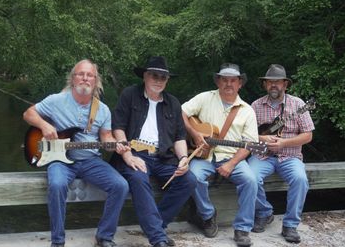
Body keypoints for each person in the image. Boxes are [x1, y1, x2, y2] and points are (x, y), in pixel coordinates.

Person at [23, 59, 130, 247]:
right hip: (60, 161)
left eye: (90, 75)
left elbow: (106, 138)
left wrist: (117, 146)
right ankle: (58, 241)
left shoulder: (103, 110)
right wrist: (44, 125)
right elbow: (28, 113)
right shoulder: (56, 100)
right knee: (56, 184)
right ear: (73, 79)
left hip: (91, 161)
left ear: (95, 81)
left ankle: (104, 236)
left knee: (120, 185)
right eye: (81, 74)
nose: (85, 78)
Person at [111, 56, 197, 247]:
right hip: (135, 153)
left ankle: (156, 224)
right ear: (145, 76)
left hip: (164, 157)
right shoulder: (129, 94)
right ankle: (158, 238)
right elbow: (118, 127)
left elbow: (179, 137)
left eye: (163, 77)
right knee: (139, 179)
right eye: (154, 75)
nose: (158, 80)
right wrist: (127, 155)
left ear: (167, 80)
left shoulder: (173, 103)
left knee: (189, 180)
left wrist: (183, 158)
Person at [182, 63, 259, 247]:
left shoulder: (247, 111)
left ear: (240, 83)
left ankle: (242, 229)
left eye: (233, 80)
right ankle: (208, 215)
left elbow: (249, 145)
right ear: (218, 81)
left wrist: (231, 164)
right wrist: (194, 133)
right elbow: (181, 112)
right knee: (191, 176)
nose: (228, 84)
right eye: (224, 79)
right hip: (203, 155)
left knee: (250, 180)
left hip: (232, 156)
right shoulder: (204, 98)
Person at [248, 64, 315, 244]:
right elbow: (246, 135)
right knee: (249, 177)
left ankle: (290, 225)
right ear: (265, 85)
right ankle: (264, 212)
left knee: (300, 180)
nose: (273, 85)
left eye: (277, 82)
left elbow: (308, 135)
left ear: (285, 84)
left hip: (290, 157)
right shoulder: (255, 105)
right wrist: (263, 138)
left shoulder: (298, 105)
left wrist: (284, 142)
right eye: (270, 82)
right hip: (262, 156)